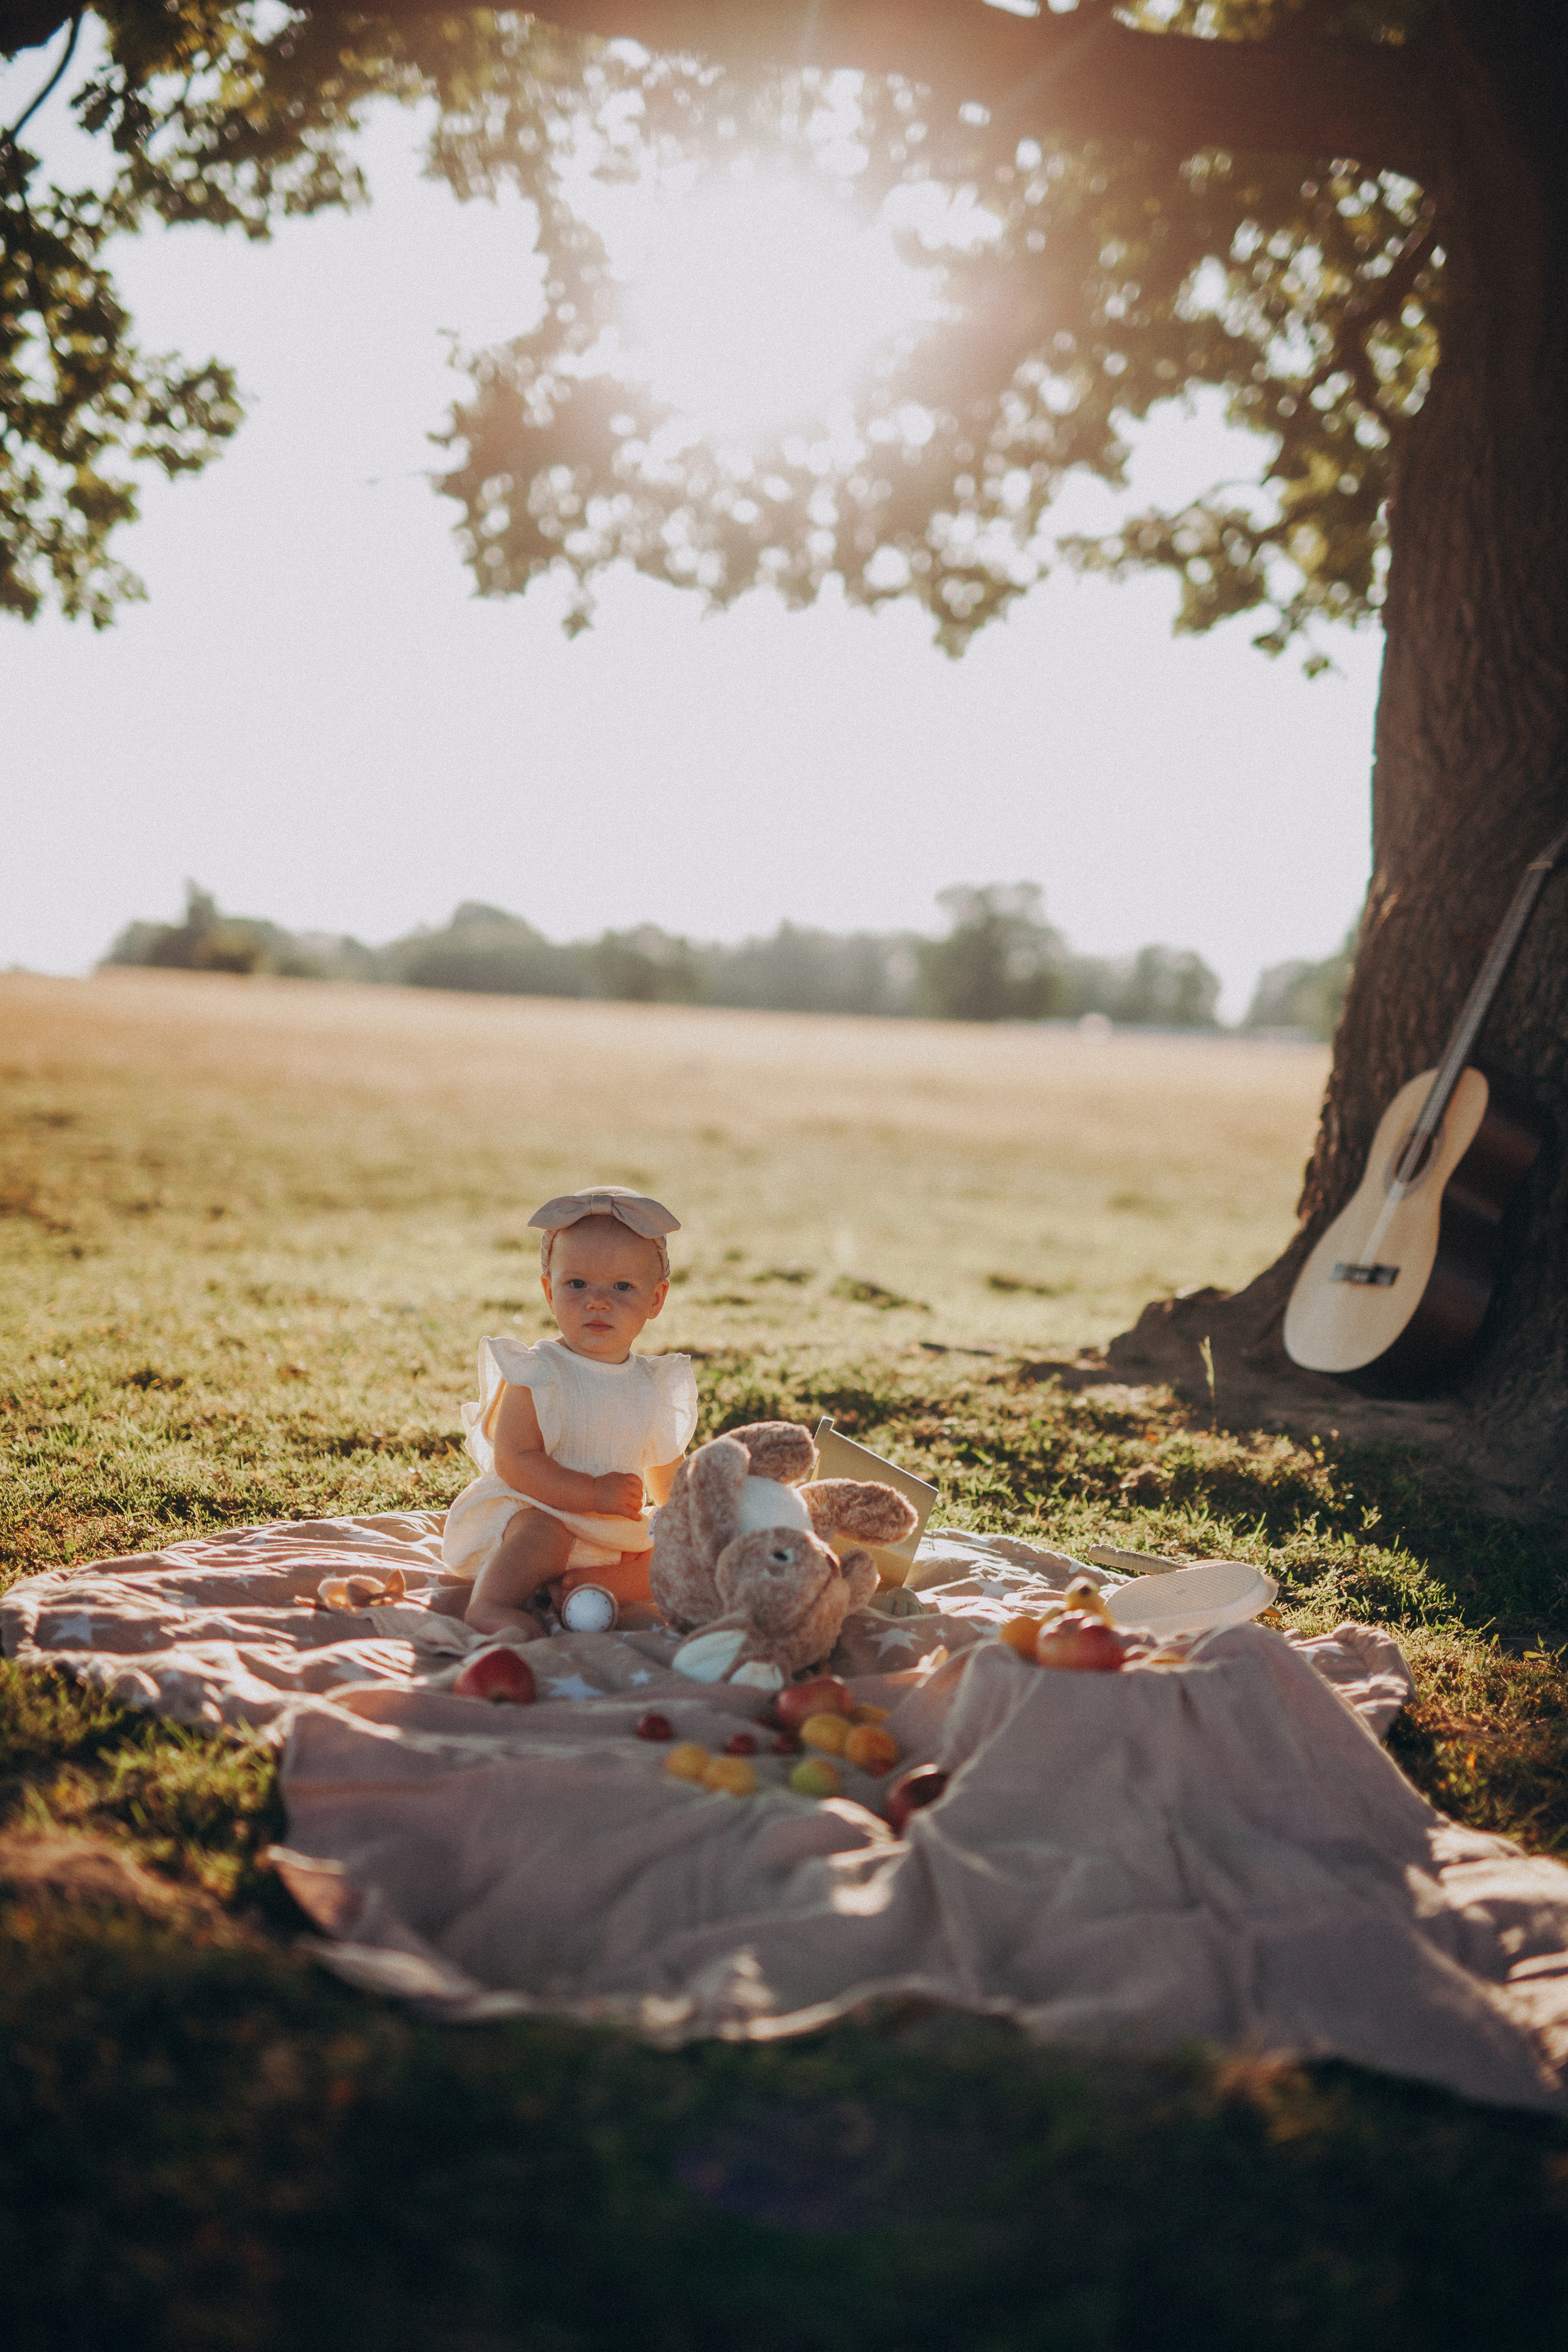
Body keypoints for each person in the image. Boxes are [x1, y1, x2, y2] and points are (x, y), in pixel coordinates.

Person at [439, 1186, 698, 1637]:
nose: (597, 1301)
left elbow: (665, 1471)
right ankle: (492, 1604)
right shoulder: (539, 1374)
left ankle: (587, 1588)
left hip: (607, 1531)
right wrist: (593, 1494)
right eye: (576, 1284)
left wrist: (685, 1523)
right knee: (544, 1535)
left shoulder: (653, 1386)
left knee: (674, 1556)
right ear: (548, 1290)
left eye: (622, 1286)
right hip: (534, 1512)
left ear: (656, 1300)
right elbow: (516, 1461)